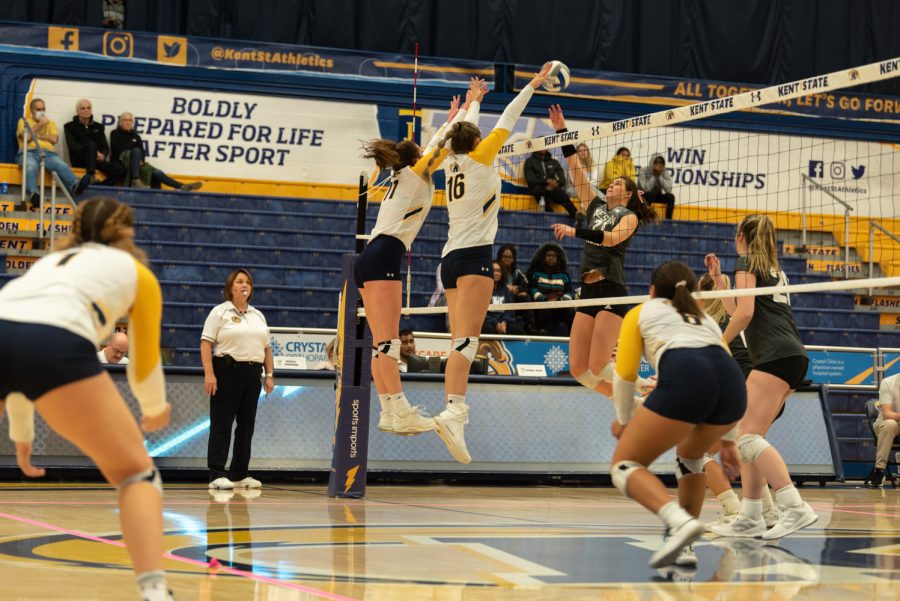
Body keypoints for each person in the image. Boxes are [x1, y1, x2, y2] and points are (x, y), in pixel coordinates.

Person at [0, 197, 174, 601]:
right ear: (126, 233)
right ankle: (154, 592)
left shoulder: (46, 265)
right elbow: (144, 360)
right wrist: (153, 409)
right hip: (55, 343)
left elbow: (16, 359)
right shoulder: (136, 273)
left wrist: (22, 442)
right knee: (137, 476)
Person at [429, 62, 552, 464]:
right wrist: (533, 83)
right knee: (467, 341)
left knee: (459, 342)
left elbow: (457, 131)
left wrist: (472, 102)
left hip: (448, 259)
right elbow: (511, 115)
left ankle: (454, 413)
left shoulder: (448, 162)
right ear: (478, 140)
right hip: (474, 258)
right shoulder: (481, 157)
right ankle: (454, 413)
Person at [357, 79, 487, 437]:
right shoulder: (416, 174)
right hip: (384, 256)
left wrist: (455, 114)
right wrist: (469, 108)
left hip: (372, 257)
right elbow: (447, 143)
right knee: (388, 342)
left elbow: (437, 141)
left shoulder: (403, 174)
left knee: (382, 342)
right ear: (418, 159)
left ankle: (388, 411)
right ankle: (400, 408)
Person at [610, 261, 747, 569]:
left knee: (624, 465)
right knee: (691, 455)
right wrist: (728, 441)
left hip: (687, 373)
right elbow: (724, 365)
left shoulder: (641, 311)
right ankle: (684, 546)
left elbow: (625, 374)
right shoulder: (705, 319)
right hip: (733, 384)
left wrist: (624, 420)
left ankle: (678, 523)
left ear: (652, 290)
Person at [705, 214, 817, 539]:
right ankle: (751, 516)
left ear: (741, 235)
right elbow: (737, 308)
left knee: (744, 436)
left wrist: (718, 343)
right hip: (791, 355)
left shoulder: (746, 261)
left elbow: (745, 313)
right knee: (750, 439)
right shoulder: (772, 268)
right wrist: (718, 281)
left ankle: (794, 506)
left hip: (774, 355)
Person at [548, 104, 658, 402]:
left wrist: (575, 231)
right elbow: (575, 169)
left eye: (619, 183)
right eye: (612, 183)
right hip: (588, 289)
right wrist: (561, 130)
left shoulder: (629, 217)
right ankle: (632, 402)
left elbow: (610, 240)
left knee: (597, 366)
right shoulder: (595, 205)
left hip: (611, 288)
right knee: (579, 371)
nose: (612, 185)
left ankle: (644, 382)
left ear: (628, 194)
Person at [696, 273, 781, 531]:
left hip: (743, 392)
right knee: (748, 450)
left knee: (698, 452)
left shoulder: (710, 323)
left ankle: (734, 510)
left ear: (701, 296)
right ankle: (769, 512)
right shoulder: (735, 315)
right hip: (766, 387)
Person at [201, 268, 274, 491]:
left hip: (252, 374)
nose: (244, 285)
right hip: (226, 371)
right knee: (221, 423)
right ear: (231, 287)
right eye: (240, 282)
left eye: (248, 283)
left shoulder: (258, 315)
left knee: (246, 426)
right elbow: (206, 343)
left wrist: (269, 375)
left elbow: (267, 347)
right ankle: (216, 473)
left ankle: (239, 473)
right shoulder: (219, 312)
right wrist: (209, 373)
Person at [16, 98, 91, 211]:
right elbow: (26, 137)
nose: (42, 112)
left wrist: (37, 136)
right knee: (30, 166)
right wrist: (40, 125)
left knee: (60, 164)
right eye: (38, 109)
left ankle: (75, 185)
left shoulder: (51, 123)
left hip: (48, 154)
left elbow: (54, 139)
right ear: (32, 110)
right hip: (29, 152)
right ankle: (34, 194)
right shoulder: (24, 121)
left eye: (43, 109)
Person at [110, 112, 203, 191]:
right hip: (122, 162)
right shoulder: (115, 133)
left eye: (130, 120)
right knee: (136, 151)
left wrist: (140, 160)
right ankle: (135, 181)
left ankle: (182, 186)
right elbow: (118, 150)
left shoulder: (136, 136)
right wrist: (135, 155)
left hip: (136, 164)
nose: (128, 122)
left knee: (157, 172)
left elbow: (142, 152)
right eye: (125, 120)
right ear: (120, 122)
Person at [64, 99, 125, 186]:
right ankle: (90, 176)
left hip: (96, 160)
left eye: (88, 108)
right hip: (79, 159)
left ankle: (101, 187)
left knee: (119, 169)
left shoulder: (98, 127)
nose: (86, 110)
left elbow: (105, 147)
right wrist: (92, 152)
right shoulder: (69, 126)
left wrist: (103, 155)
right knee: (91, 144)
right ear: (77, 111)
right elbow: (73, 146)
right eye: (83, 108)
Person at [525, 243, 574, 336]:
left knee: (571, 311)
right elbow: (533, 290)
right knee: (544, 310)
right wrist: (545, 300)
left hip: (560, 304)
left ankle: (572, 335)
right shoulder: (536, 274)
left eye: (553, 256)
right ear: (543, 257)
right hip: (543, 304)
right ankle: (543, 333)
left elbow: (569, 292)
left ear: (558, 258)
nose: (551, 258)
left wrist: (560, 301)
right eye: (548, 255)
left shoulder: (564, 275)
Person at [865, 372, 900, 487]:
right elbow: (887, 414)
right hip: (886, 423)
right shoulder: (888, 382)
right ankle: (879, 470)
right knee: (890, 424)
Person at [523, 149, 579, 220]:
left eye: (544, 145)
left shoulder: (554, 162)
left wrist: (555, 183)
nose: (543, 148)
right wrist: (546, 182)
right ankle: (550, 216)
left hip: (553, 189)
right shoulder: (530, 162)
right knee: (539, 192)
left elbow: (562, 180)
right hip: (538, 190)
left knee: (562, 194)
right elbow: (530, 179)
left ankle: (577, 216)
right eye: (541, 145)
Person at [482, 261, 526, 336]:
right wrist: (496, 323)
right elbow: (481, 312)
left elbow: (510, 310)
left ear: (502, 273)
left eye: (498, 271)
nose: (496, 273)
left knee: (517, 329)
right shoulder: (482, 289)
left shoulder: (505, 290)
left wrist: (504, 322)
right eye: (493, 270)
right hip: (489, 321)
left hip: (503, 321)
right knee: (488, 329)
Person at [637, 153, 675, 219]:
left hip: (657, 195)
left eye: (660, 163)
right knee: (648, 195)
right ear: (652, 162)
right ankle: (646, 218)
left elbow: (668, 190)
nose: (658, 165)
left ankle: (668, 221)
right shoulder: (643, 170)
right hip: (643, 195)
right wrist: (654, 175)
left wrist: (659, 175)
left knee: (671, 197)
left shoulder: (664, 172)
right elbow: (645, 189)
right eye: (656, 162)